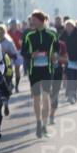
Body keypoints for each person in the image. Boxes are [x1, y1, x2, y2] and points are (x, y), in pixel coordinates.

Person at [21, 10, 60, 138]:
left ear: (42, 20)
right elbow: (23, 52)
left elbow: (57, 50)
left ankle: (44, 125)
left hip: (48, 70)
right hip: (34, 71)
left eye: (34, 20)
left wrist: (54, 56)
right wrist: (31, 55)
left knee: (46, 96)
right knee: (37, 98)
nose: (32, 22)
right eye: (31, 20)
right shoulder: (28, 35)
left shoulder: (52, 34)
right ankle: (38, 122)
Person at [61, 20, 77, 104]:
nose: (68, 28)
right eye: (67, 26)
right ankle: (71, 95)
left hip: (76, 61)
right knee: (70, 77)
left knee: (75, 78)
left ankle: (73, 94)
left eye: (70, 26)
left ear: (73, 26)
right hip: (67, 61)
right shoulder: (63, 36)